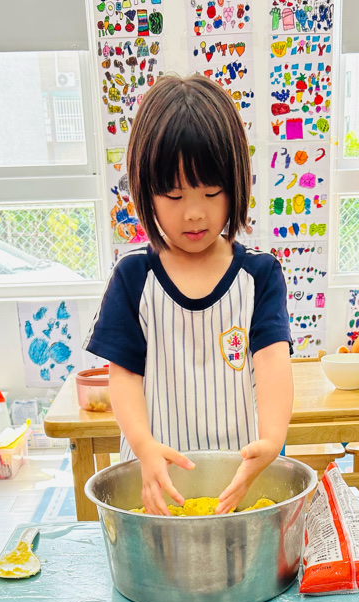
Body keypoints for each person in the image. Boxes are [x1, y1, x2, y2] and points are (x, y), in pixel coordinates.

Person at [84, 73, 293, 515]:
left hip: (237, 484)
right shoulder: (133, 278)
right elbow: (124, 377)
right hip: (156, 485)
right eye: (174, 195)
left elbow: (273, 363)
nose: (194, 213)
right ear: (146, 192)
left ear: (236, 185)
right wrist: (144, 446)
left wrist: (273, 439)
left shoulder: (259, 276)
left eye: (211, 192)